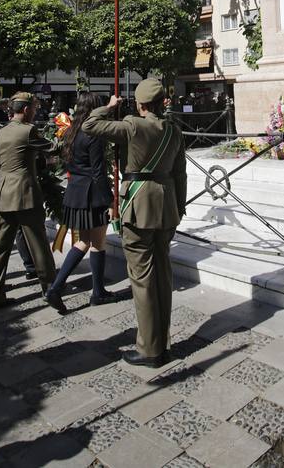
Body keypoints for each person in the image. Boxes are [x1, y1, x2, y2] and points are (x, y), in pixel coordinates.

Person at [83, 77, 187, 368]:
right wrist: (178, 206)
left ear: (140, 104)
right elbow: (181, 175)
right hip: (166, 206)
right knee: (163, 276)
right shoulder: (175, 131)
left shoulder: (132, 125)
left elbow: (89, 126)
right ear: (162, 102)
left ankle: (150, 349)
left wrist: (108, 106)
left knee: (142, 279)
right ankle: (162, 342)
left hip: (139, 206)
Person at [0, 92, 60, 313]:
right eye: (34, 108)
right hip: (25, 195)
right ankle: (50, 289)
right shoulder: (28, 131)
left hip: (4, 194)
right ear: (26, 110)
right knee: (39, 246)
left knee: (0, 248)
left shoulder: (0, 132)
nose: (35, 111)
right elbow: (52, 147)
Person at [46, 93, 115, 312]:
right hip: (92, 194)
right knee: (96, 241)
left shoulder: (72, 131)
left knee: (86, 241)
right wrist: (110, 200)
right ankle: (81, 290)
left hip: (75, 192)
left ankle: (91, 290)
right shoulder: (92, 133)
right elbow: (98, 171)